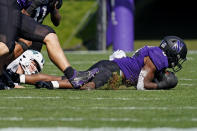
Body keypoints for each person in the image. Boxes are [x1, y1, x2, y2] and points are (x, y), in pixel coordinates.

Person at [20, 36, 186, 90]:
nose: (176, 61)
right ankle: (50, 85)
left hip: (110, 66)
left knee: (67, 79)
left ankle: (19, 78)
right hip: (111, 71)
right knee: (84, 85)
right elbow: (142, 84)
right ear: (171, 53)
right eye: (178, 56)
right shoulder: (159, 57)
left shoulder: (155, 52)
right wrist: (159, 86)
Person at [0, 0, 98, 90]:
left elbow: (56, 22)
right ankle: (4, 75)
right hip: (7, 9)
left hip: (16, 16)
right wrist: (34, 5)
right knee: (7, 47)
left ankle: (73, 76)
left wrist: (54, 8)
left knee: (50, 35)